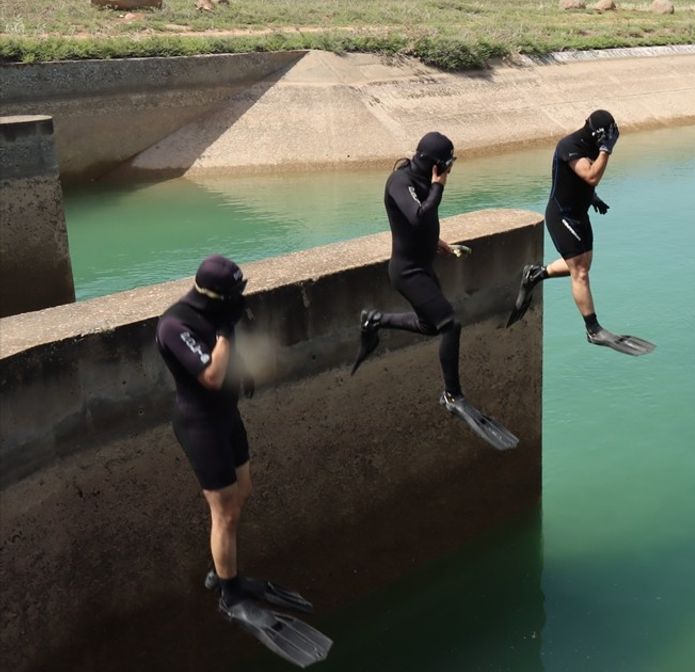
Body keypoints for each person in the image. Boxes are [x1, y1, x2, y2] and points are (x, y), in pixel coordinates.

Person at [156, 255, 331, 668]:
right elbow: (211, 376)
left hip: (226, 417)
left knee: (243, 491)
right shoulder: (174, 325)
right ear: (213, 295)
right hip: (200, 425)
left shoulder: (220, 311)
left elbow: (228, 361)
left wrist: (243, 369)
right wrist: (224, 332)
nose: (240, 300)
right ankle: (230, 596)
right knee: (225, 512)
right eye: (234, 295)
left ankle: (222, 570)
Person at [350, 131, 518, 451]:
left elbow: (422, 225)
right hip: (407, 272)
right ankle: (452, 395)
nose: (449, 171)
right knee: (450, 325)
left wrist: (440, 244)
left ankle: (375, 320)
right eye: (447, 165)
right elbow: (417, 217)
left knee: (430, 325)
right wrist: (439, 186)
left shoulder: (423, 180)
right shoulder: (400, 182)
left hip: (422, 267)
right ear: (434, 164)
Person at [506, 109, 655, 356]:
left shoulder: (592, 146)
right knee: (580, 272)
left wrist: (592, 197)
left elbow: (578, 179)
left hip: (579, 214)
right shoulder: (570, 146)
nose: (609, 140)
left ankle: (536, 274)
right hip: (562, 215)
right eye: (606, 137)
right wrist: (606, 150)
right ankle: (593, 329)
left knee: (582, 265)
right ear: (598, 134)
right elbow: (590, 175)